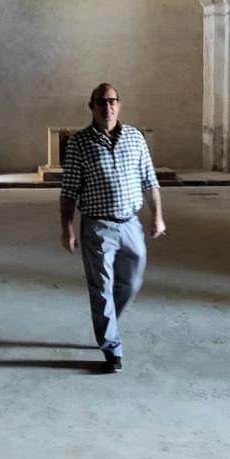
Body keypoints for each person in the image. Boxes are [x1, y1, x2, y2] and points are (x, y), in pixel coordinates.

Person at [59, 82, 166, 373]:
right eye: (101, 102)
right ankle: (111, 348)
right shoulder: (79, 143)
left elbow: (149, 181)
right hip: (98, 227)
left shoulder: (135, 138)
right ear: (91, 106)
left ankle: (108, 324)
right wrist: (67, 228)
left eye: (112, 101)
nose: (107, 107)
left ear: (119, 104)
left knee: (131, 282)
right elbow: (69, 191)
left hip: (131, 223)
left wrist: (157, 216)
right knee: (101, 288)